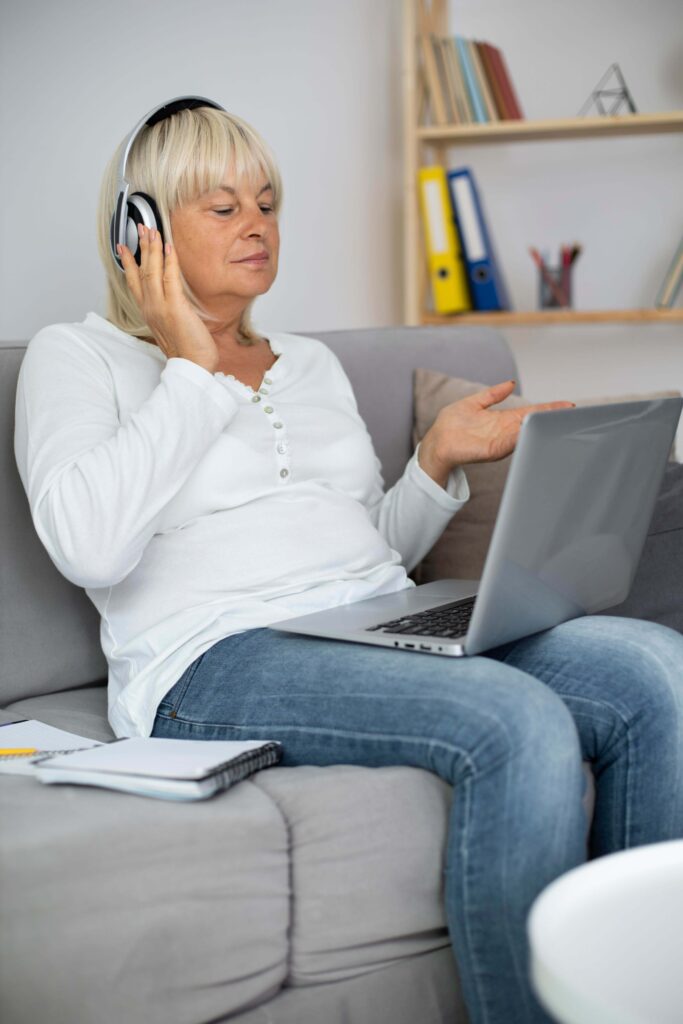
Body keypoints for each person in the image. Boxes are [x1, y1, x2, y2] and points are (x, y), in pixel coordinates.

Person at [15, 100, 683, 1024]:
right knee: (514, 719)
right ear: (144, 232)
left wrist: (437, 459)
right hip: (213, 657)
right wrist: (191, 366)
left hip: (364, 623)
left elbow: (368, 555)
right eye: (221, 207)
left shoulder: (308, 364)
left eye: (267, 201)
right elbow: (88, 546)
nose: (256, 223)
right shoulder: (76, 359)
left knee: (653, 668)